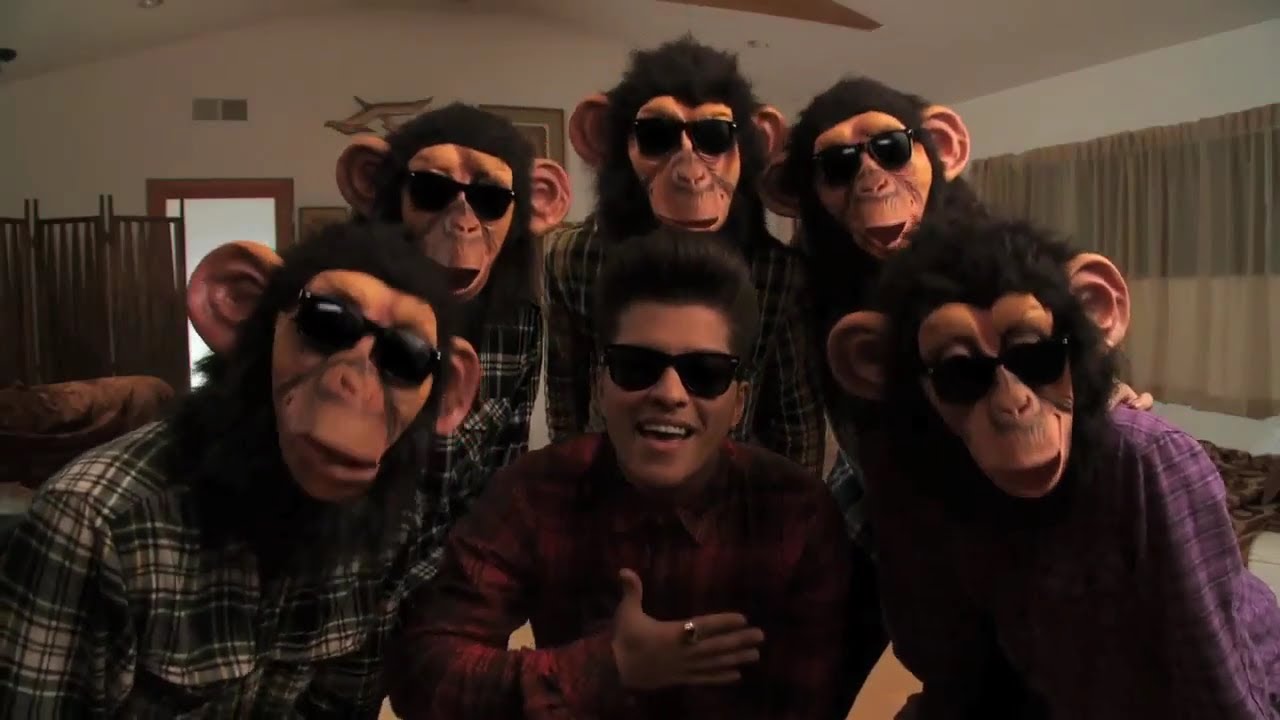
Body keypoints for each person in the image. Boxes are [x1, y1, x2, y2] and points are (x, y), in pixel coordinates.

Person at [0, 223, 482, 716]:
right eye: (327, 324)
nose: (353, 382)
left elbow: (341, 707)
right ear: (248, 316)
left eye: (405, 358)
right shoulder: (92, 521)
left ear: (447, 391)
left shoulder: (390, 525)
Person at [386, 227, 854, 719]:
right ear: (600, 385)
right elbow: (424, 673)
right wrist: (606, 667)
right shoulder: (537, 491)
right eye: (636, 366)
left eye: (705, 373)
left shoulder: (796, 514)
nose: (669, 394)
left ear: (739, 402)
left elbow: (809, 706)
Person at [826, 212, 1280, 719]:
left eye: (1035, 358)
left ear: (1095, 316)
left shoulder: (1148, 460)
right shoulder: (935, 475)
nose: (1012, 402)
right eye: (962, 375)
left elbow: (1219, 686)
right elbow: (947, 662)